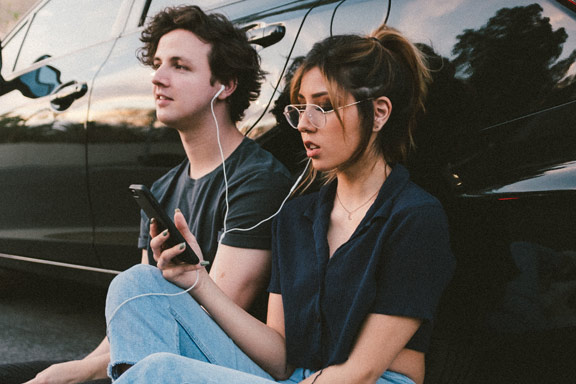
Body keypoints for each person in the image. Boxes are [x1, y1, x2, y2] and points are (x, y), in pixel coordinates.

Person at [103, 21, 456, 384]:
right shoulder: (296, 216)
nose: (304, 123)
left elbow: (361, 372)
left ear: (379, 112)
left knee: (163, 373)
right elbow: (280, 358)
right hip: (294, 378)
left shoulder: (415, 217)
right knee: (135, 285)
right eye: (299, 107)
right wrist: (197, 280)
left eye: (324, 107)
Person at [2, 5, 292, 384]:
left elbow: (204, 320)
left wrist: (80, 372)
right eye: (157, 64)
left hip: (217, 363)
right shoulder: (162, 188)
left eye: (179, 66)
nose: (158, 77)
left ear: (226, 85)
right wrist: (80, 367)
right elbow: (137, 307)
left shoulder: (257, 180)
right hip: (158, 354)